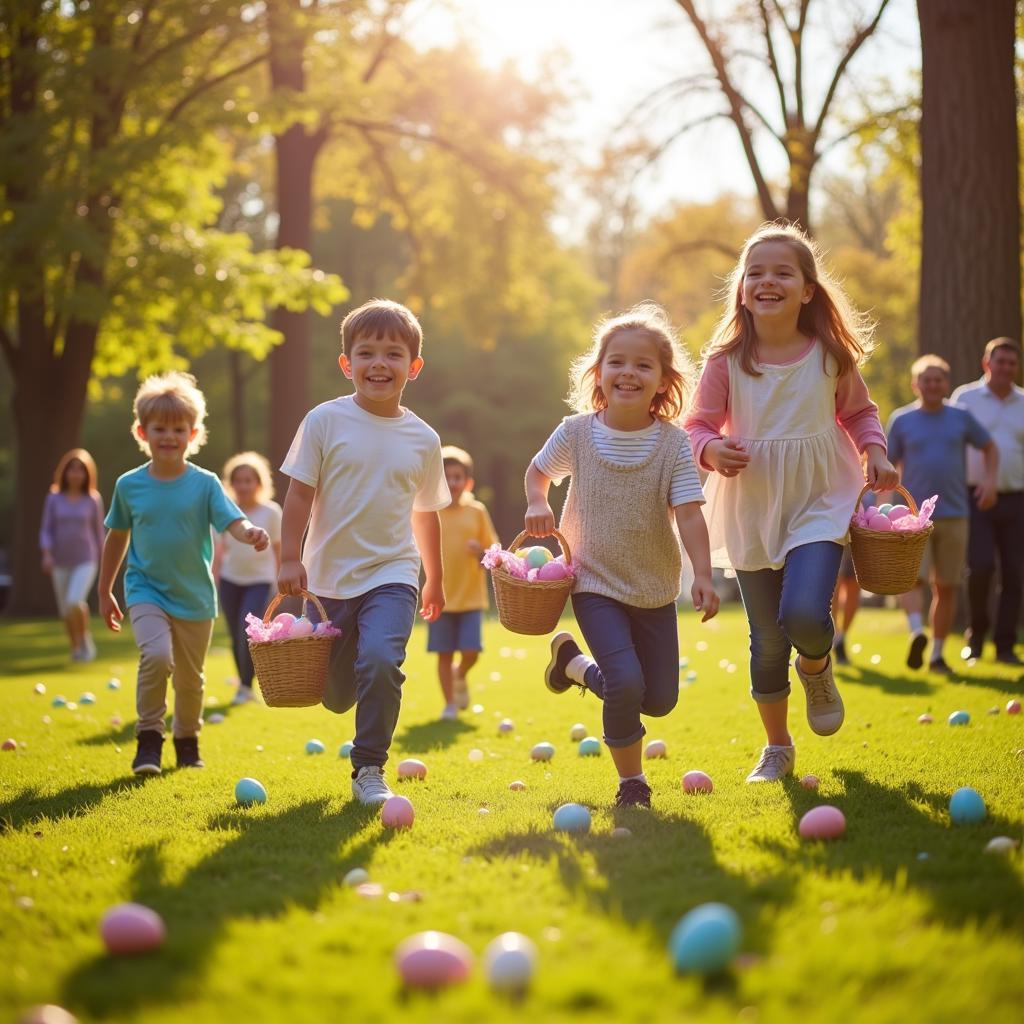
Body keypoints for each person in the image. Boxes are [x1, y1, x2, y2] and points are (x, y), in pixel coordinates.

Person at [684, 223, 897, 784]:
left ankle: (818, 664)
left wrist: (874, 450)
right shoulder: (727, 360)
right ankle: (777, 746)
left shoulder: (829, 354)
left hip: (820, 496)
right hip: (752, 501)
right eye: (755, 272)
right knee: (767, 639)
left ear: (807, 289)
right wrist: (710, 449)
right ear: (741, 288)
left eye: (782, 272)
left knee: (803, 613)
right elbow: (696, 426)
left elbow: (858, 412)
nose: (767, 281)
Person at [525, 303, 719, 809]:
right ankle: (632, 783)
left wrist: (703, 573)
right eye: (617, 362)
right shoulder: (576, 433)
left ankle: (572, 666)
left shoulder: (674, 446)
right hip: (593, 582)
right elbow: (538, 471)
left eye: (642, 365)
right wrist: (536, 502)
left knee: (658, 699)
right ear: (599, 371)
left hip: (653, 586)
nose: (628, 372)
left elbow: (691, 514)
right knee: (627, 682)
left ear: (662, 380)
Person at [278, 298, 450, 806]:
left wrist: (433, 578)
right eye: (367, 352)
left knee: (379, 660)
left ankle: (369, 767)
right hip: (329, 578)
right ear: (346, 363)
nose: (380, 364)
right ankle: (354, 705)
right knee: (335, 695)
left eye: (394, 354)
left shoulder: (423, 438)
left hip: (393, 574)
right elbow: (298, 495)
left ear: (413, 367)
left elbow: (425, 513)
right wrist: (290, 557)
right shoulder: (324, 421)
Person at [98, 372, 270, 776]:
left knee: (191, 681)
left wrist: (250, 533)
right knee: (156, 657)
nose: (169, 436)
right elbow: (116, 538)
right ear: (142, 431)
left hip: (194, 596)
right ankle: (149, 740)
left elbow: (233, 521)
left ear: (193, 434)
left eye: (179, 429)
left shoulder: (205, 484)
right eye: (160, 428)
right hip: (145, 589)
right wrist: (106, 590)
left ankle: (187, 740)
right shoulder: (129, 486)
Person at [887, 355, 997, 674]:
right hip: (912, 518)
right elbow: (888, 466)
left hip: (955, 513)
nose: (932, 385)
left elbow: (989, 447)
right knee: (912, 580)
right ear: (915, 384)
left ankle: (936, 654)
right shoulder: (902, 419)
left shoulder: (961, 417)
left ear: (946, 384)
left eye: (938, 380)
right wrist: (880, 508)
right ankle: (916, 631)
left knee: (946, 586)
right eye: (926, 379)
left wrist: (989, 481)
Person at [952, 337, 1024, 665]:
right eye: (1000, 361)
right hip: (973, 497)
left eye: (1012, 363)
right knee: (980, 567)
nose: (1006, 368)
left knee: (1015, 573)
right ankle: (975, 635)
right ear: (986, 363)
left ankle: (1006, 645)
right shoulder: (964, 399)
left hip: (1017, 499)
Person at [430, 445, 499, 720]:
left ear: (467, 482)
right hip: (440, 598)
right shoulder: (430, 513)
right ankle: (449, 704)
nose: (452, 482)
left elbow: (494, 551)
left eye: (457, 477)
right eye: (446, 477)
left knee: (471, 651)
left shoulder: (477, 511)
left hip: (471, 597)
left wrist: (481, 552)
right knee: (444, 653)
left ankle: (461, 674)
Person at [214, 452, 283, 704]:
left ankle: (244, 686)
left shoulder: (271, 512)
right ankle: (244, 685)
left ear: (259, 483)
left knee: (248, 633)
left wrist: (280, 582)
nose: (243, 485)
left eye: (248, 480)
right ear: (231, 484)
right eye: (238, 480)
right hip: (230, 580)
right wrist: (214, 577)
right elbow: (218, 549)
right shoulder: (225, 512)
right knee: (235, 635)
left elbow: (278, 549)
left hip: (260, 582)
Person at [39, 449, 106, 662]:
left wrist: (106, 562)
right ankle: (76, 646)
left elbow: (99, 533)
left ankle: (84, 638)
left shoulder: (93, 500)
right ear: (65, 472)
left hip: (87, 559)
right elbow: (46, 529)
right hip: (59, 559)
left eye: (81, 470)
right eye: (72, 470)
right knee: (65, 611)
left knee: (74, 601)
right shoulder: (53, 498)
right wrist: (47, 554)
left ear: (87, 474)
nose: (76, 474)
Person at [831, 548, 860, 666]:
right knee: (834, 586)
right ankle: (835, 636)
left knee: (853, 587)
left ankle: (839, 638)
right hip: (835, 533)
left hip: (858, 535)